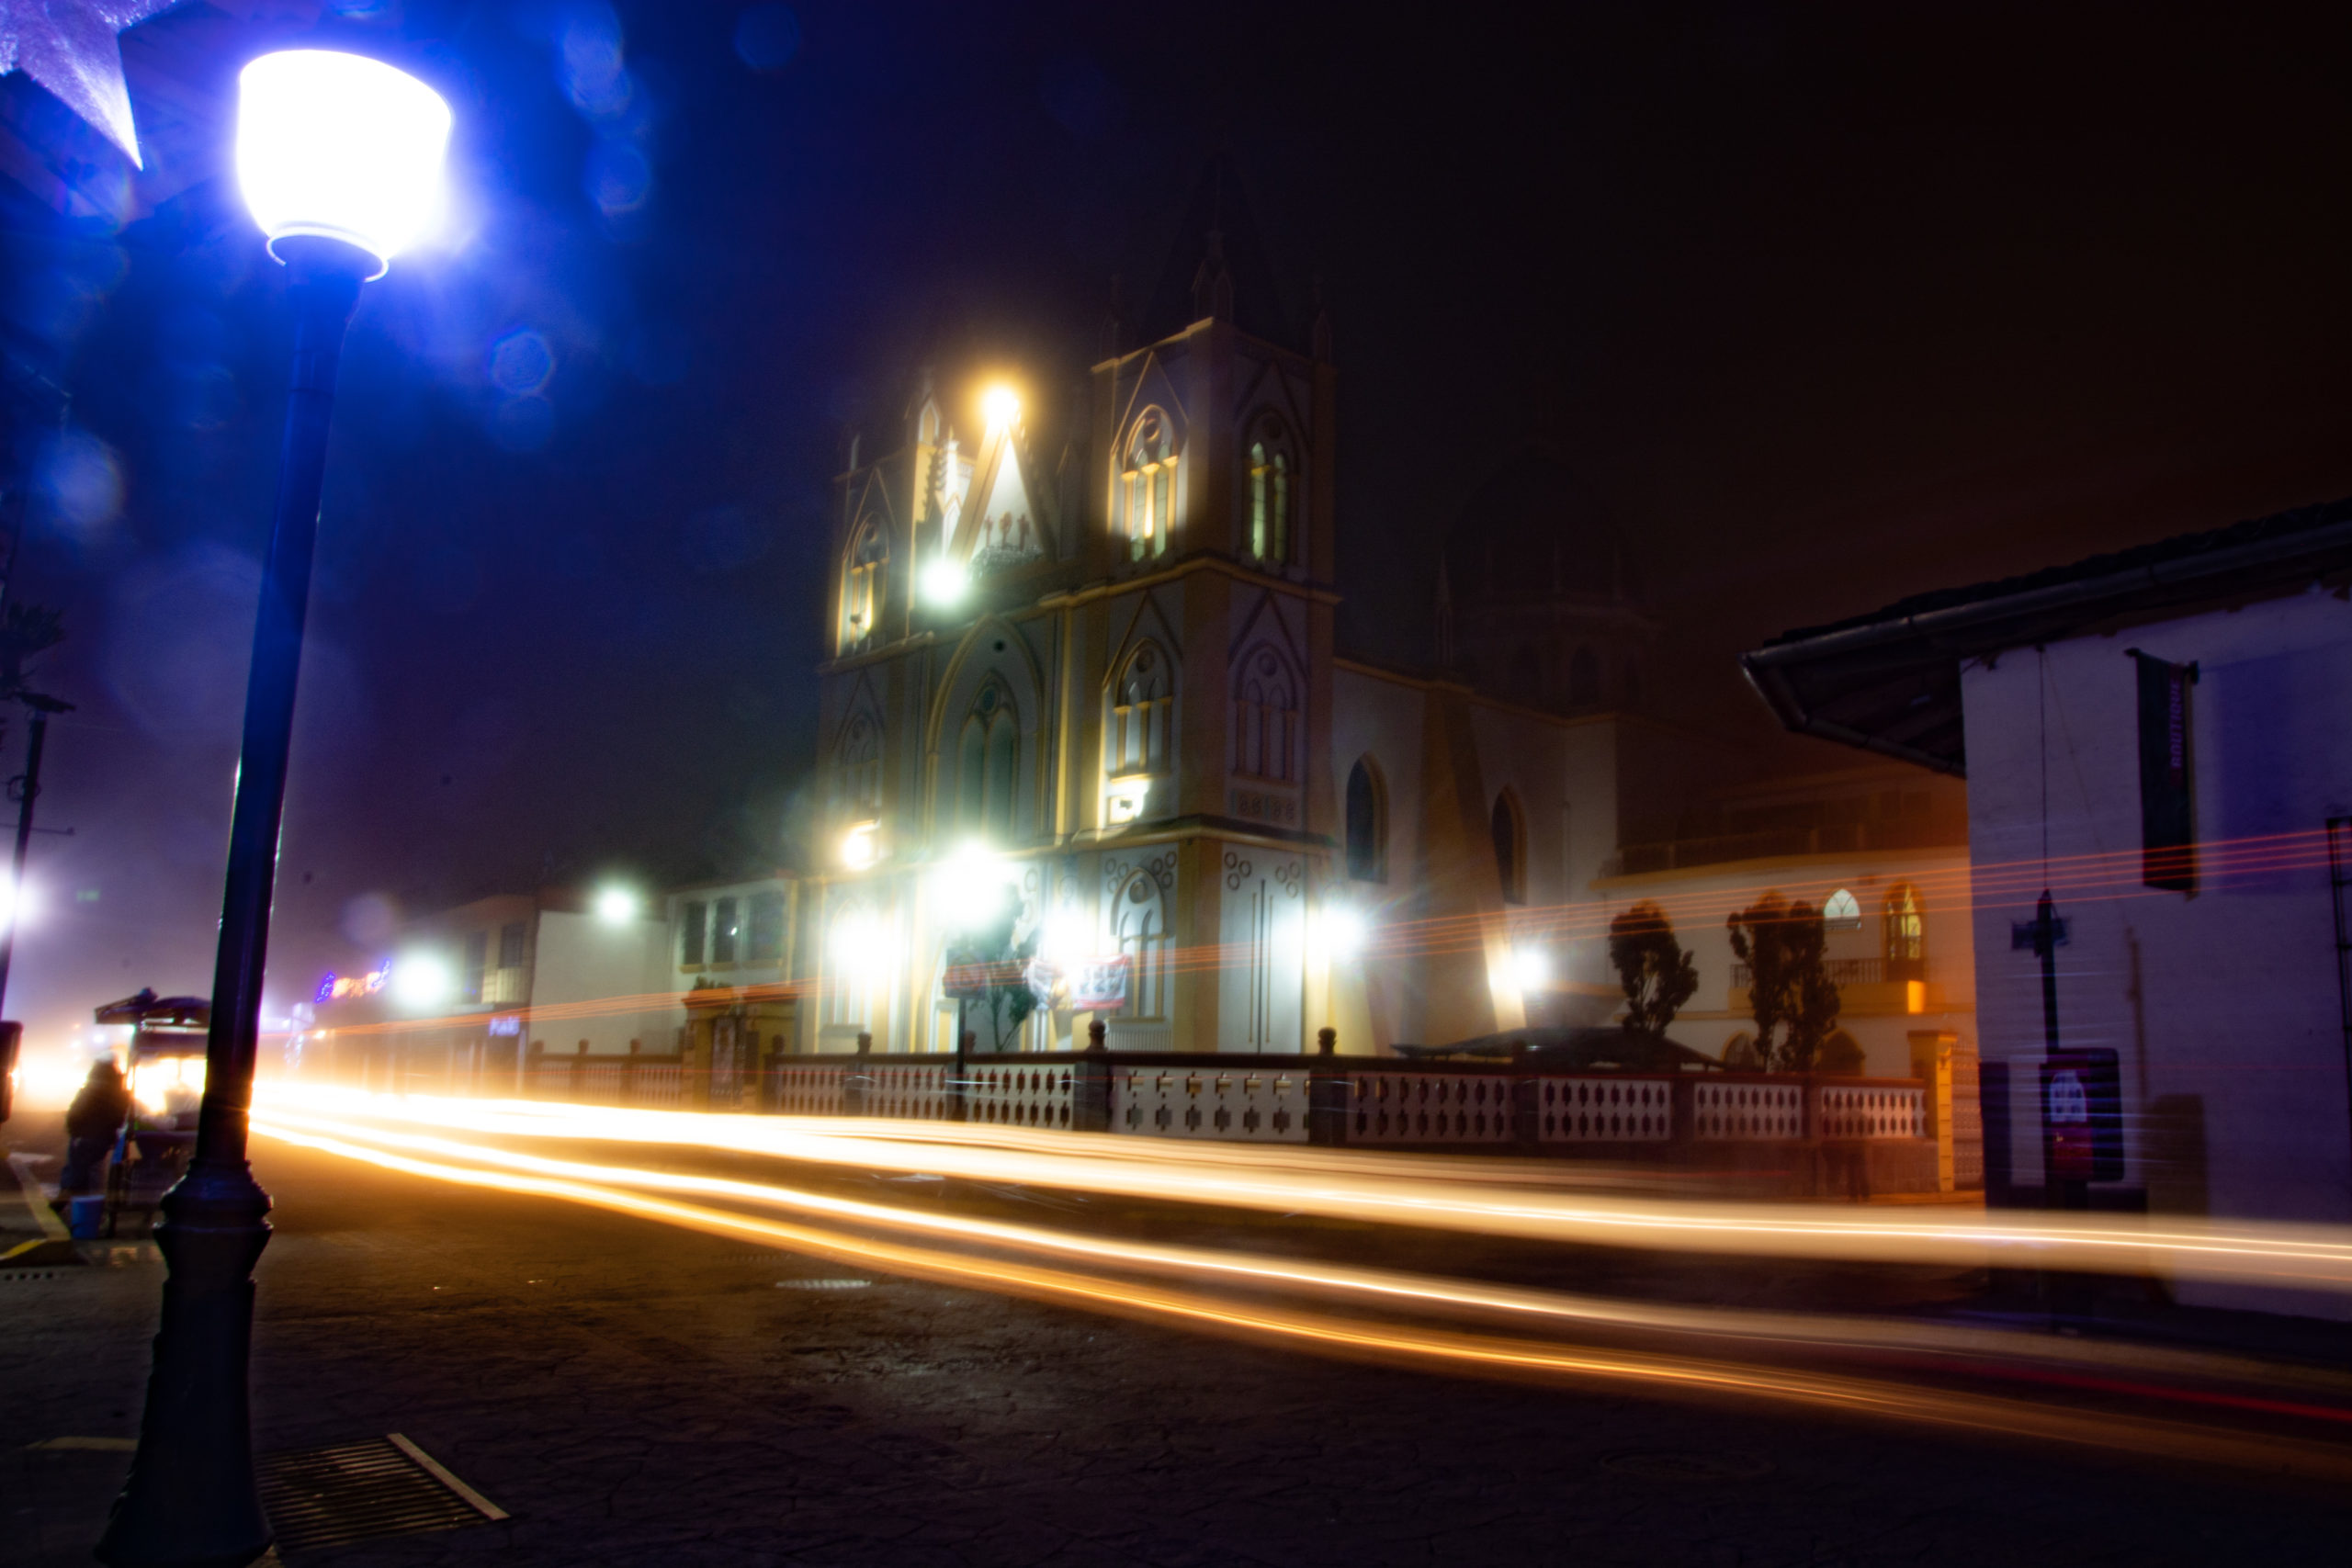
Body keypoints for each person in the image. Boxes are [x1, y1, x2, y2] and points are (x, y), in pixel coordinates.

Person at [58, 1059, 131, 1197]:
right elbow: (120, 1118)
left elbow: (75, 1114)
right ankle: (92, 1203)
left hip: (83, 1137)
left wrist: (74, 1132)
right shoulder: (120, 1093)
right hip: (103, 1139)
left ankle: (72, 1199)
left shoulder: (89, 1091)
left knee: (77, 1169)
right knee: (93, 1170)